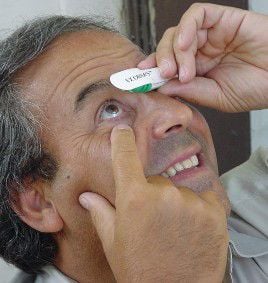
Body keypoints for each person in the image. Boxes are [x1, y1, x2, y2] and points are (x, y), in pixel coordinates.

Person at [0, 4, 265, 283]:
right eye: (110, 110)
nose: (179, 114)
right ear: (38, 203)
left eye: (156, 85)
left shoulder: (257, 212)